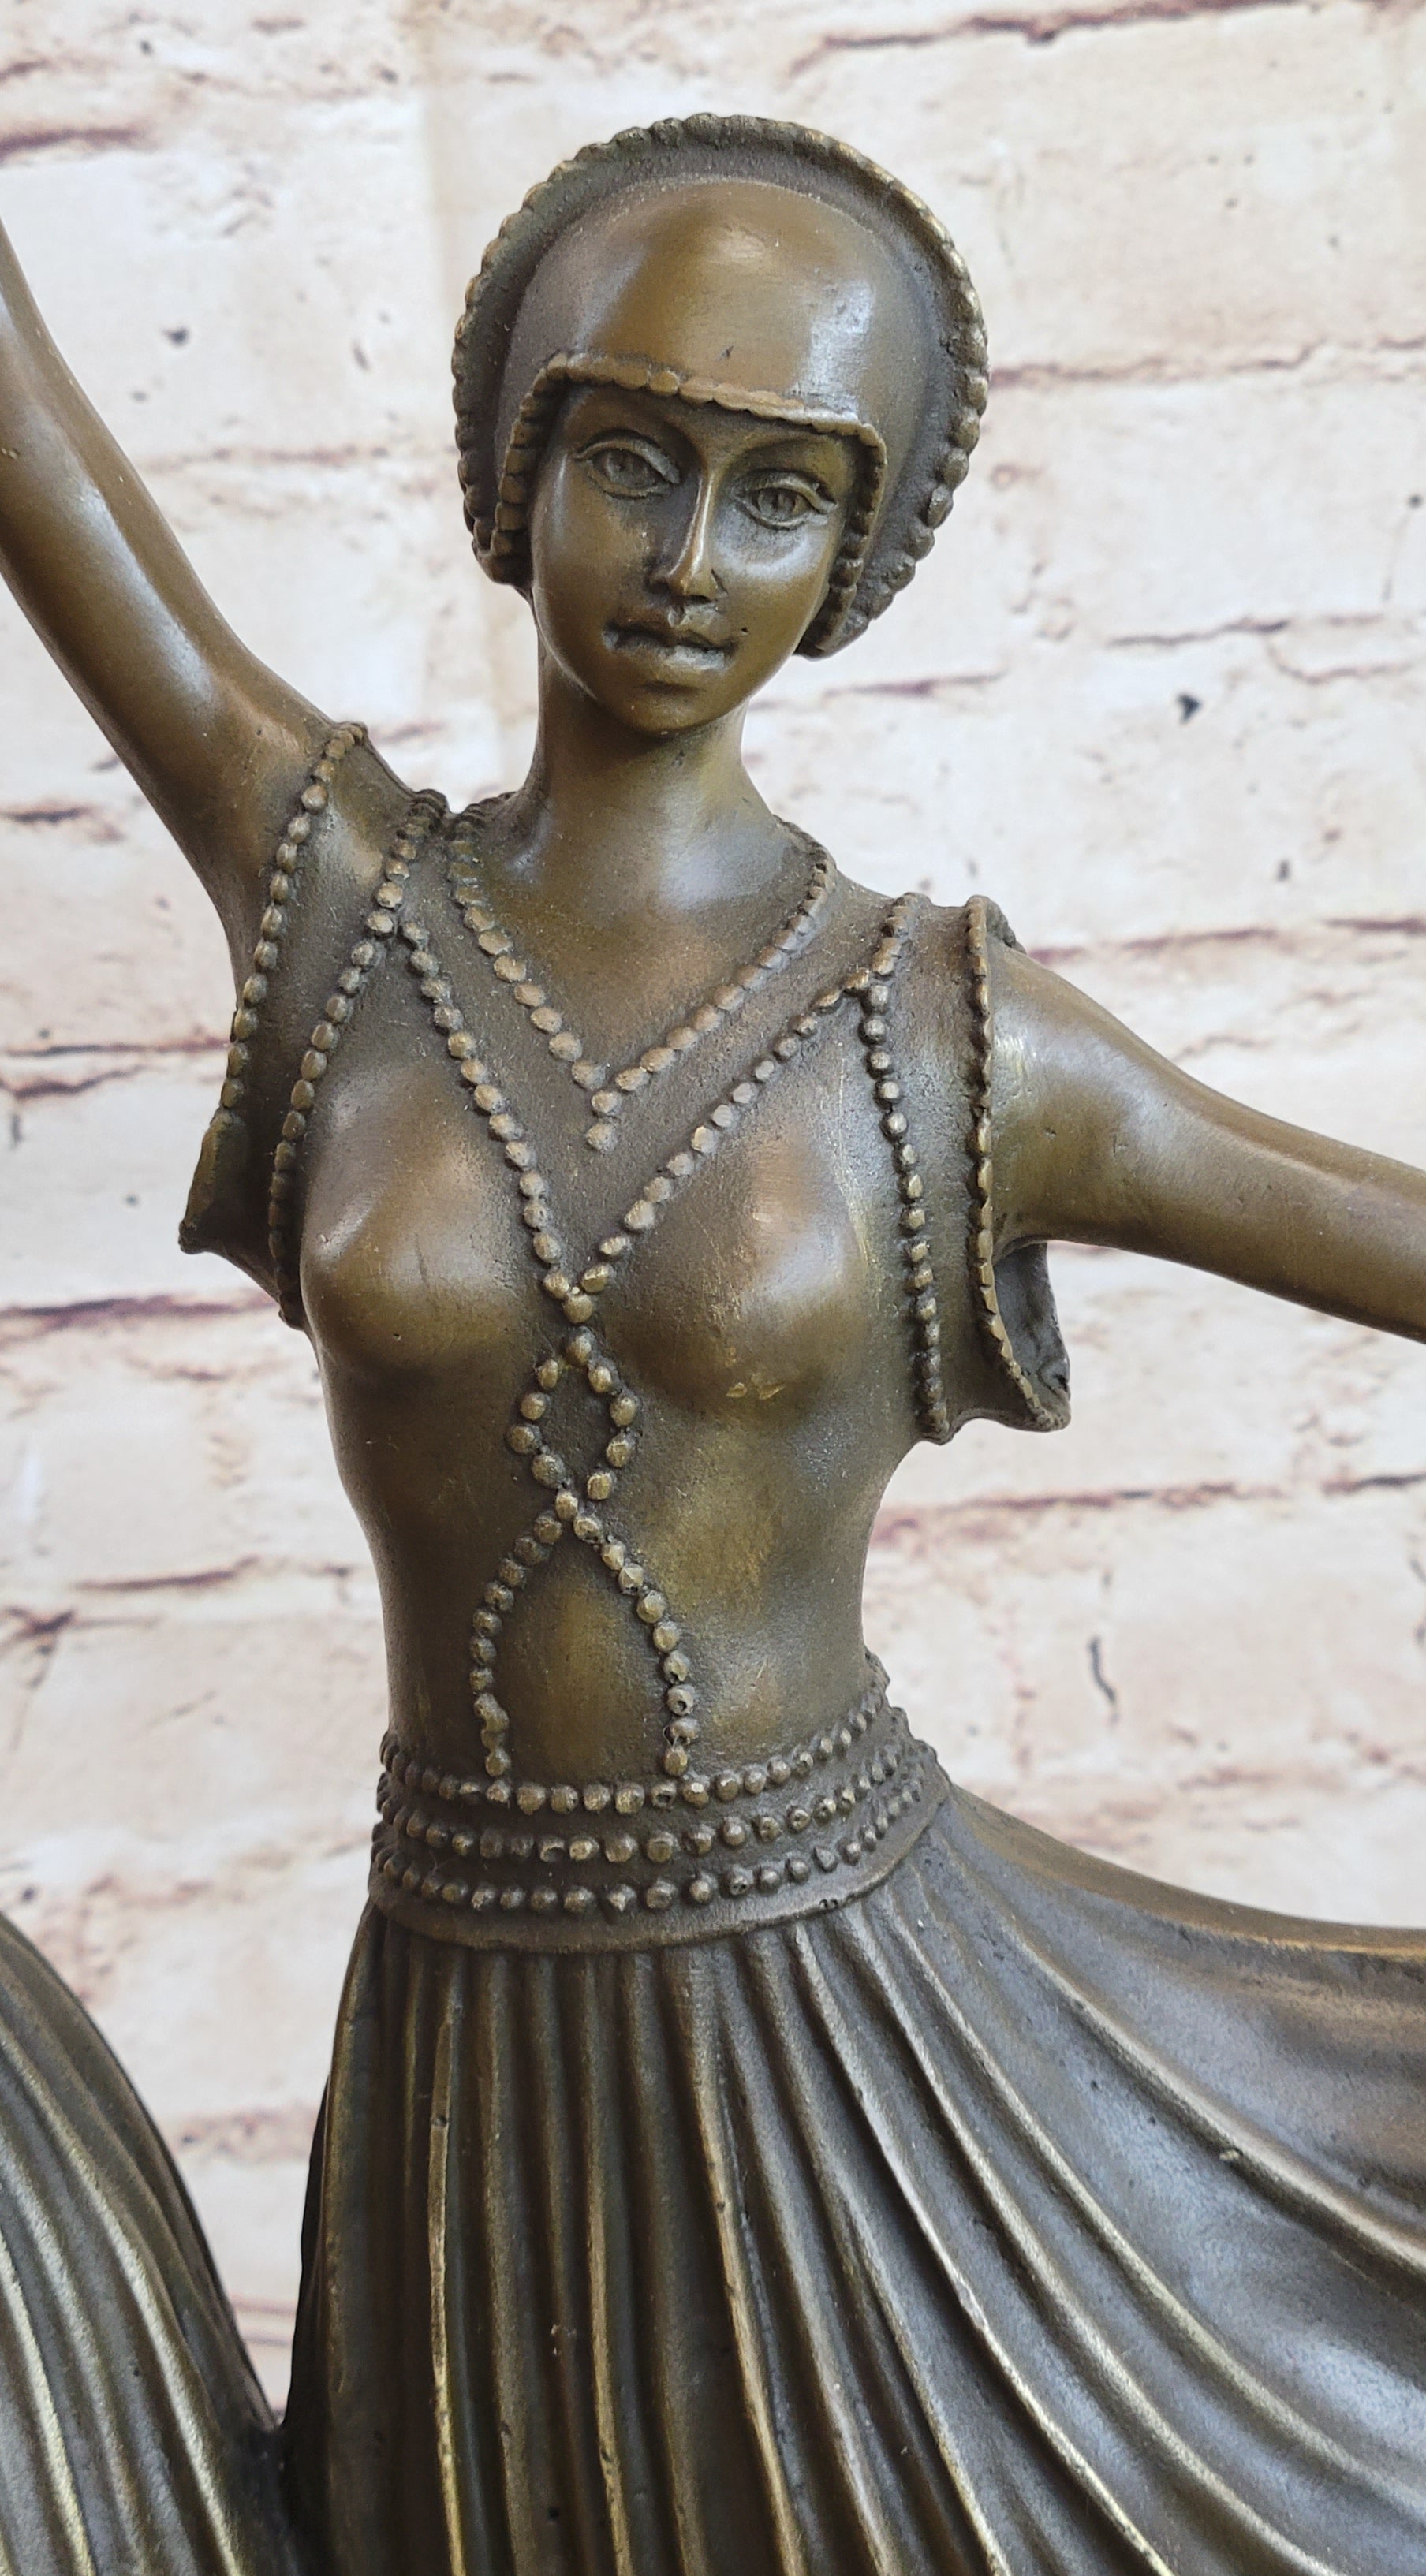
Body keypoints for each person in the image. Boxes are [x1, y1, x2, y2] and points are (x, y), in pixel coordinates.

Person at [1, 111, 1423, 2576]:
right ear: (515, 469)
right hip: (464, 2034)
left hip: (864, 2037)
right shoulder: (344, 918)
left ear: (856, 558)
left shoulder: (951, 1041)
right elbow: (45, 479)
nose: (686, 559)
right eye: (632, 461)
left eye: (778, 496)